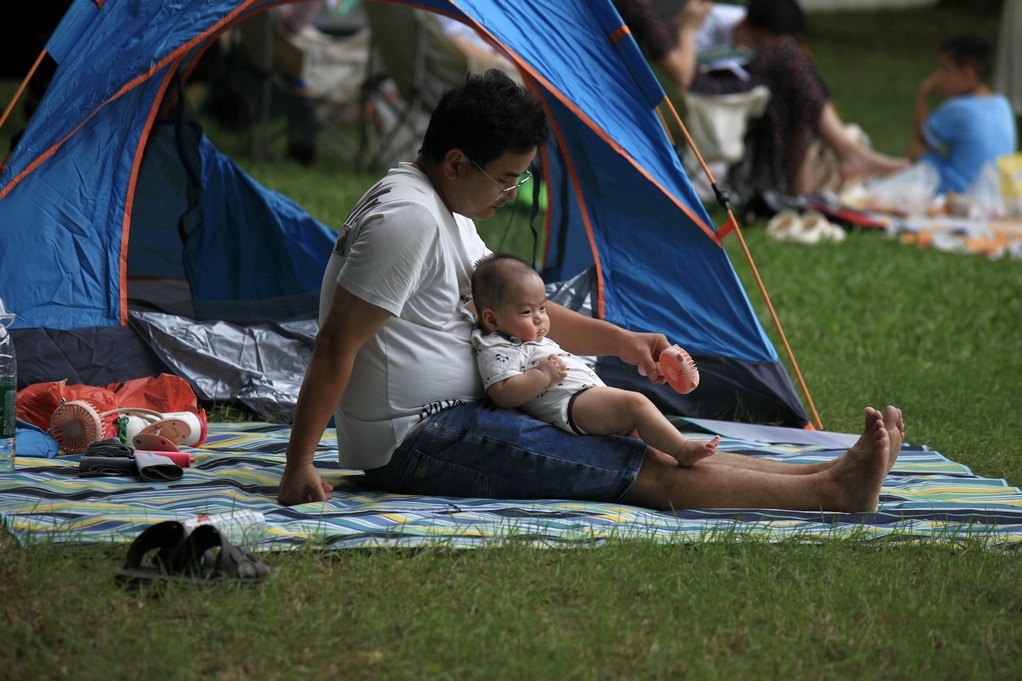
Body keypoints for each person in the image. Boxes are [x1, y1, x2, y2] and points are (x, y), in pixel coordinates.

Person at [277, 68, 906, 514]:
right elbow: (336, 344)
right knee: (635, 465)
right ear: (456, 162)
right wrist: (298, 464)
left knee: (639, 431)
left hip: (474, 414)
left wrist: (624, 341)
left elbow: (528, 312)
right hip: (419, 440)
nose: (509, 196)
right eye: (505, 180)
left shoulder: (443, 206)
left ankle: (824, 472)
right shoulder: (407, 219)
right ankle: (830, 495)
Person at [612, 0, 908, 198]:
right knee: (790, 58)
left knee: (793, 62)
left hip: (739, 85)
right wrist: (689, 28)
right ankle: (843, 154)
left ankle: (829, 162)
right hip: (705, 88)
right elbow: (684, 77)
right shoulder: (640, 8)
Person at [470, 253, 720, 467]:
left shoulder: (530, 339)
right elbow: (501, 392)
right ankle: (683, 449)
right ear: (492, 320)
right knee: (636, 404)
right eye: (527, 312)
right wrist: (542, 376)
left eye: (543, 308)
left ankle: (665, 461)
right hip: (572, 406)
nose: (539, 318)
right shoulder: (496, 346)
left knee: (639, 439)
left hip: (585, 397)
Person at [910, 35, 1017, 196]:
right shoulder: (1003, 104)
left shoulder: (958, 108)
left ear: (967, 74)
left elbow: (922, 137)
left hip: (962, 193)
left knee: (916, 150)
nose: (939, 77)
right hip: (998, 192)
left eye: (944, 70)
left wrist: (924, 92)